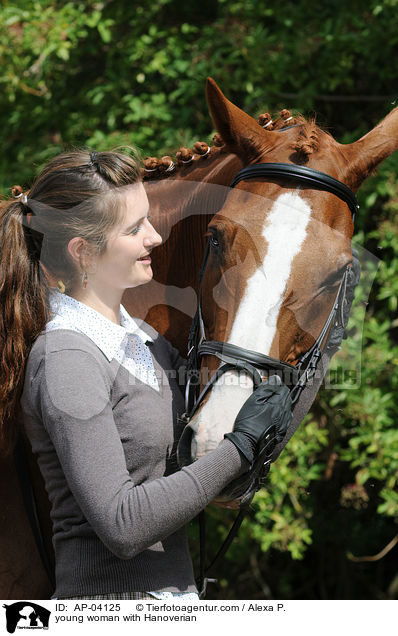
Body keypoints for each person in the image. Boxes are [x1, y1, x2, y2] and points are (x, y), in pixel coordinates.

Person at [0, 148, 292, 600]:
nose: (155, 237)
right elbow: (123, 524)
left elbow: (199, 473)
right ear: (83, 252)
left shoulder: (147, 344)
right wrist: (241, 448)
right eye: (135, 229)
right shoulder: (65, 357)